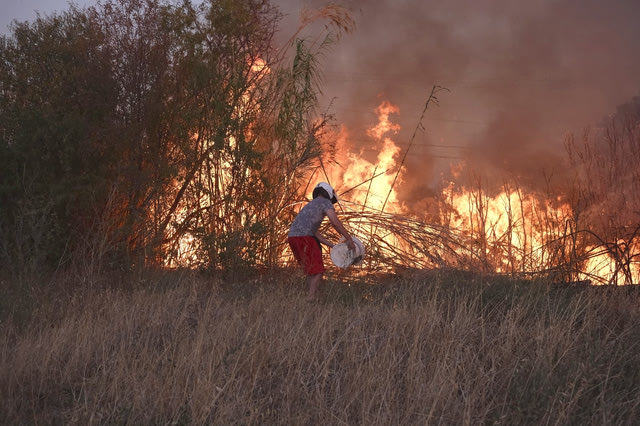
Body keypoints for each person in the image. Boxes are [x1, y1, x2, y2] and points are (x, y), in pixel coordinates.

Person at [288, 182, 355, 300]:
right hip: (305, 238)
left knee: (310, 271)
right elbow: (335, 223)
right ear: (329, 194)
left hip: (293, 238)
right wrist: (349, 239)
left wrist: (333, 246)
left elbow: (314, 233)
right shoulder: (325, 202)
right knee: (318, 271)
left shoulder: (310, 205)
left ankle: (310, 295)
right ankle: (311, 298)